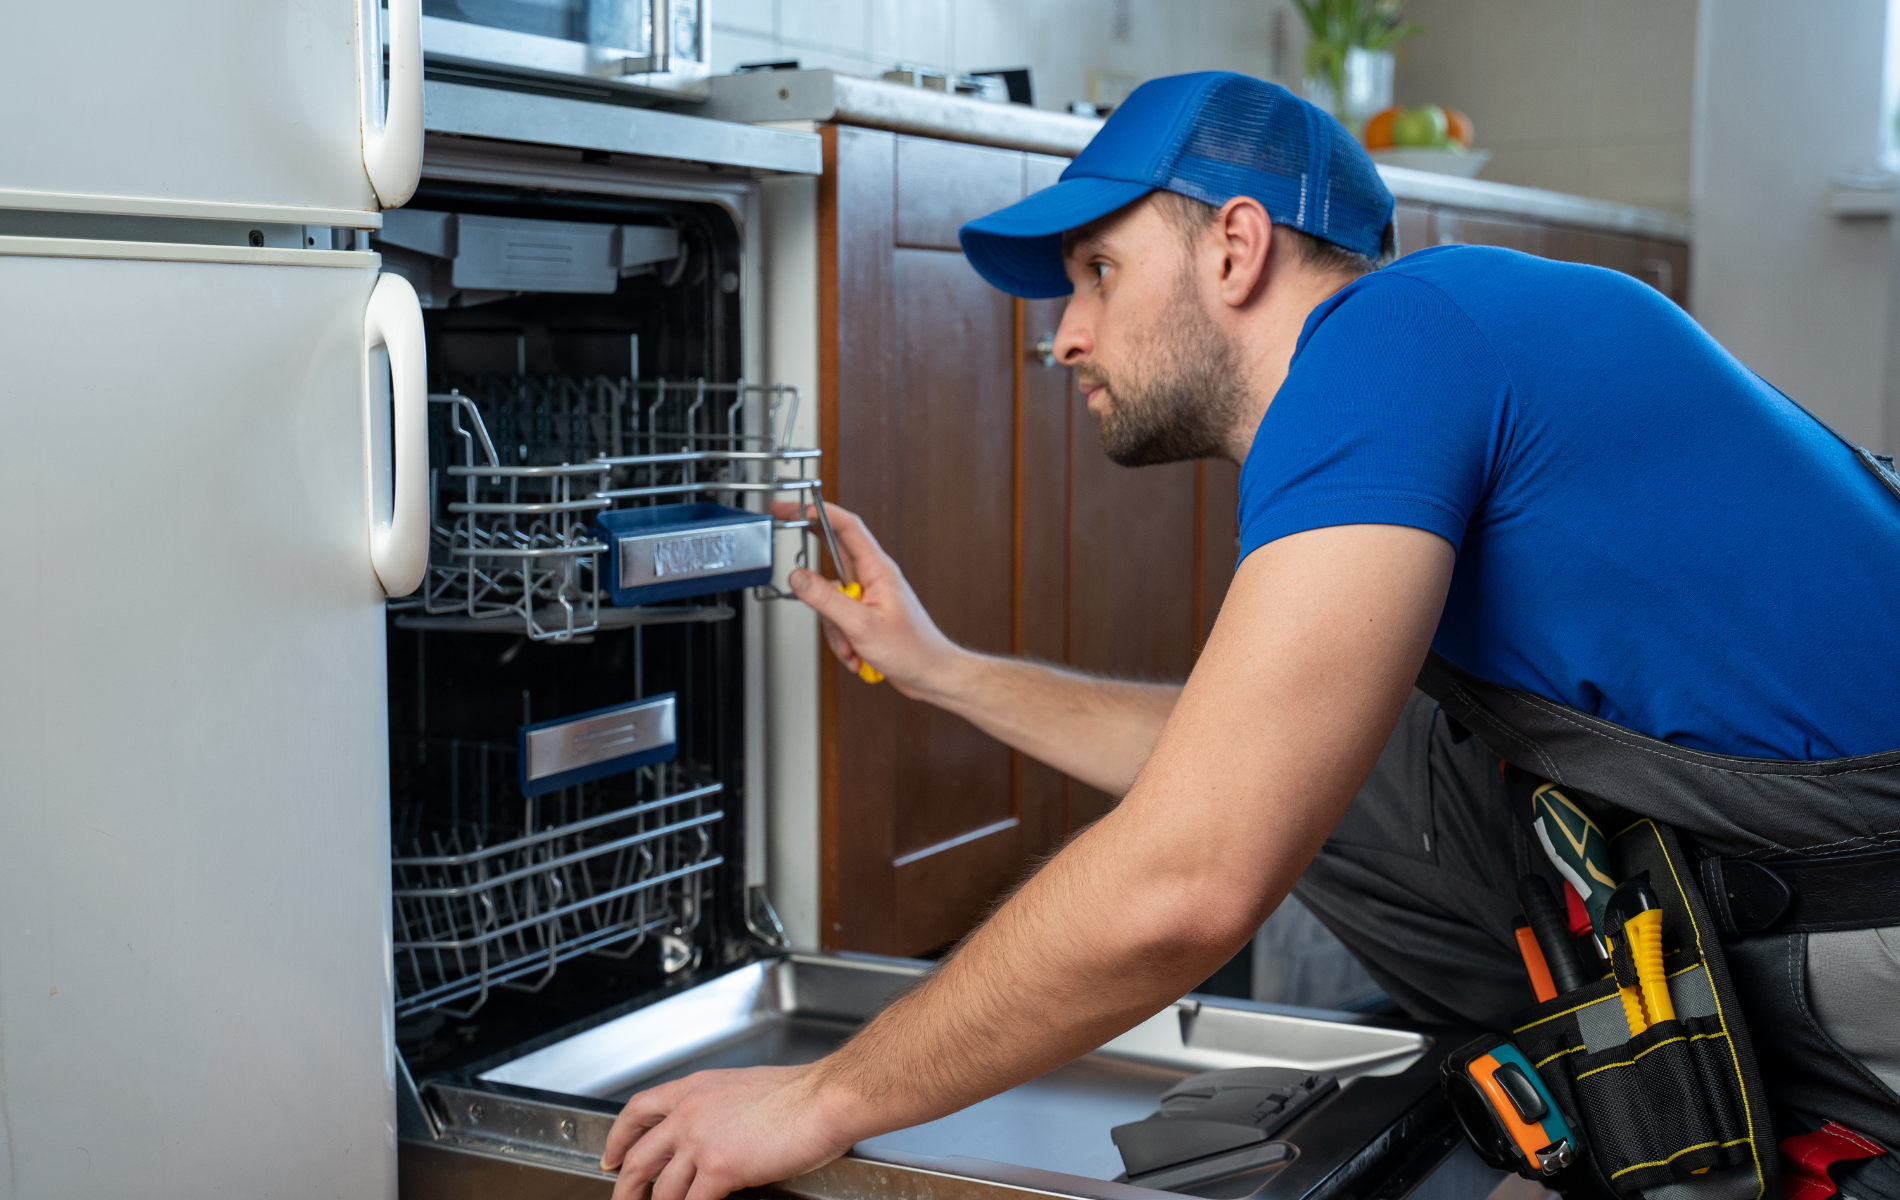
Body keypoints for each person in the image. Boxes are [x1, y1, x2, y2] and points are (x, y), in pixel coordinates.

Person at [599, 72, 1900, 1200]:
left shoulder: (1394, 342)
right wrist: (940, 669)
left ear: (1235, 245)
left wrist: (826, 1095)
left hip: (1866, 932)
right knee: (1374, 766)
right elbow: (1250, 761)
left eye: (1097, 272)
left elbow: (1194, 876)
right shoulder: (1439, 345)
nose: (1065, 338)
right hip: (1769, 851)